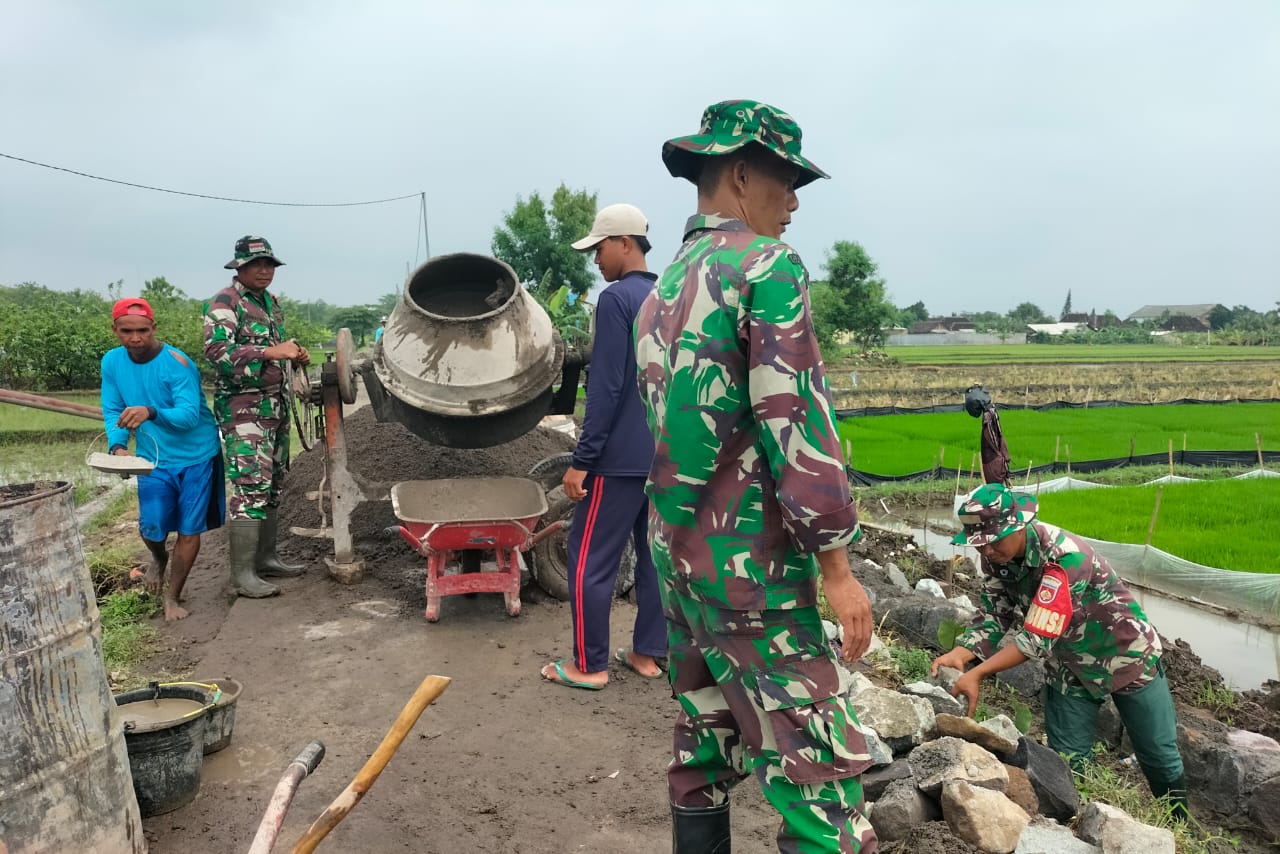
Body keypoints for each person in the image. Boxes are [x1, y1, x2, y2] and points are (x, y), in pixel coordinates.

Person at [634, 100, 877, 853]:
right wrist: (837, 567)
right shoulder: (765, 267)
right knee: (819, 778)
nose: (795, 202)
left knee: (703, 750)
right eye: (785, 180)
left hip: (680, 565)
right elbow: (794, 423)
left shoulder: (660, 290)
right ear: (741, 173)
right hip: (753, 573)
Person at [932, 482, 1187, 818]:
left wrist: (979, 672)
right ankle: (1083, 824)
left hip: (1125, 654)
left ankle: (1178, 824)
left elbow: (1035, 638)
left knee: (1159, 756)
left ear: (1018, 526)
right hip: (1069, 664)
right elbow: (996, 613)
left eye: (993, 541)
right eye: (979, 545)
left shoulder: (1066, 559)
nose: (987, 552)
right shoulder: (996, 559)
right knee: (1069, 760)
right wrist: (965, 652)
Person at [540, 203, 667, 691]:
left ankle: (588, 665)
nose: (596, 259)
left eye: (600, 248)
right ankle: (648, 653)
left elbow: (607, 387)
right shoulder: (669, 295)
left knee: (589, 556)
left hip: (616, 462)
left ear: (626, 244)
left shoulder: (617, 300)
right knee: (654, 558)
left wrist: (583, 460)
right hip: (662, 457)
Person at [100, 297, 224, 621]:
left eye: (142, 330)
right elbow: (113, 409)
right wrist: (118, 447)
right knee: (151, 525)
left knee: (188, 527)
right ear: (115, 330)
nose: (136, 338)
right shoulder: (112, 363)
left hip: (197, 455)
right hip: (152, 458)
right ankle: (158, 558)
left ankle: (173, 597)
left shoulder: (177, 364)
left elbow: (187, 416)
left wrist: (150, 411)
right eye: (127, 331)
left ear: (153, 328)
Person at [203, 235, 310, 598]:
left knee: (272, 483)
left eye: (269, 265)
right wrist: (269, 351)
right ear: (239, 268)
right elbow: (217, 351)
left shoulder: (269, 302)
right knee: (250, 485)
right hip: (244, 410)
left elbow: (274, 349)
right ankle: (241, 577)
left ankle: (266, 560)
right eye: (256, 265)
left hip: (274, 407)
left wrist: (292, 354)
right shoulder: (225, 302)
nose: (264, 271)